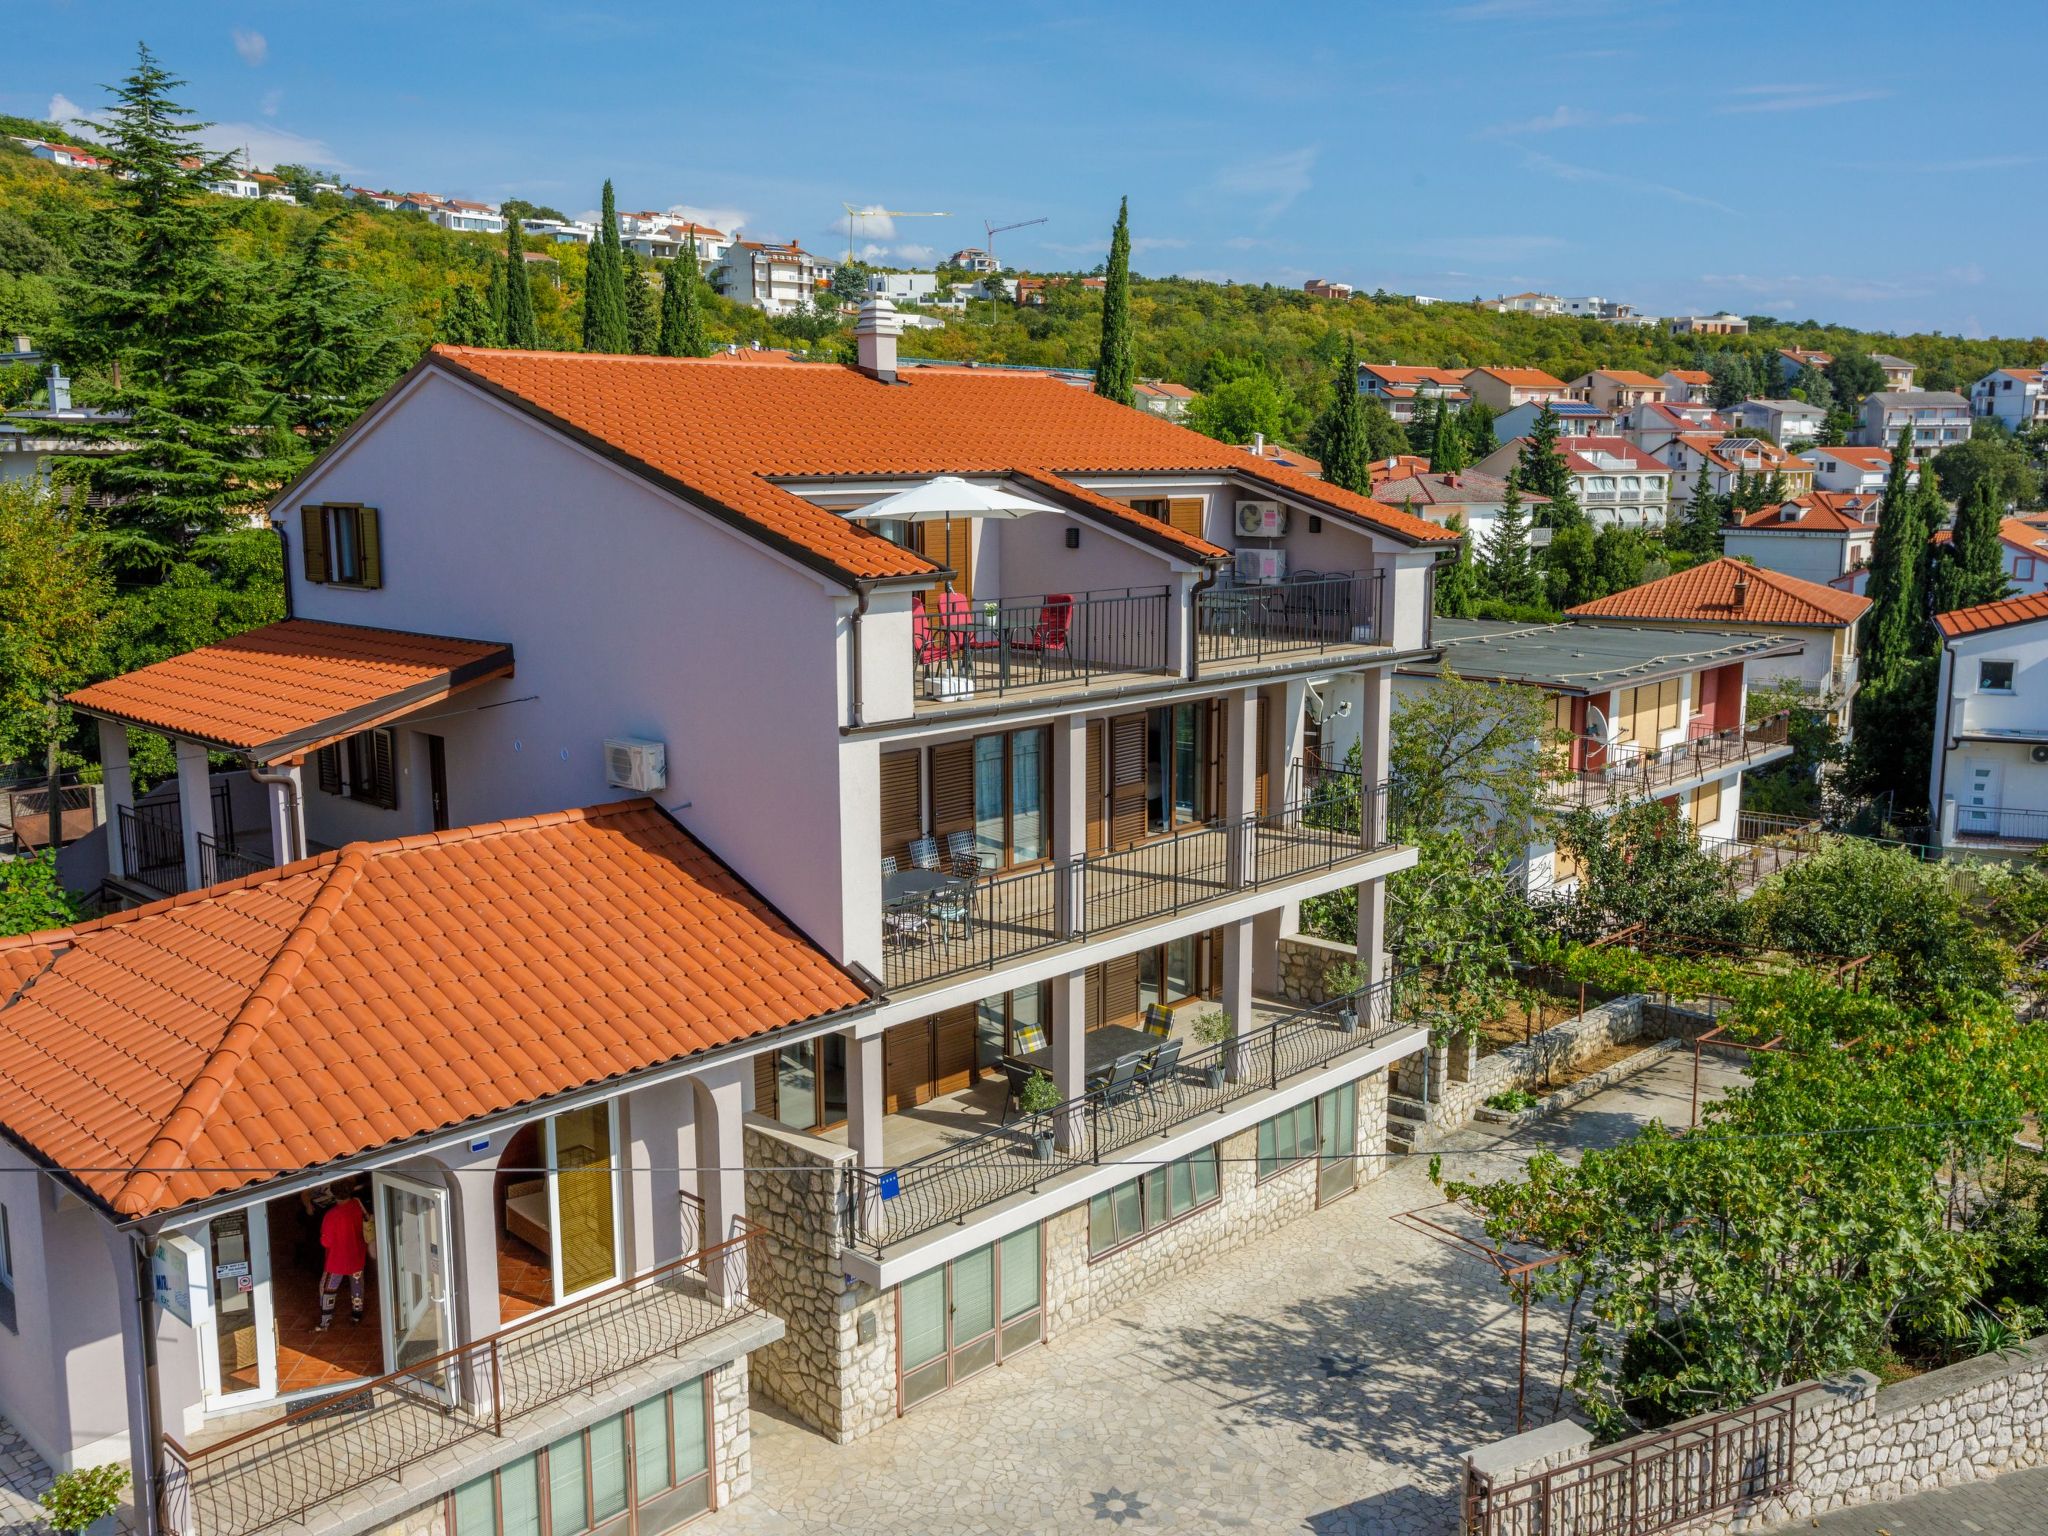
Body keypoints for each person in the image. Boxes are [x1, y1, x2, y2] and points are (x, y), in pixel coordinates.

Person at [317, 1186, 370, 1330]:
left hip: (337, 1260)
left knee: (327, 1288)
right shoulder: (357, 1205)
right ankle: (357, 1314)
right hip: (357, 1254)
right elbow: (367, 1220)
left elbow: (325, 1242)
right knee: (357, 1284)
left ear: (334, 1195)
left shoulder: (332, 1215)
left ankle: (325, 1321)